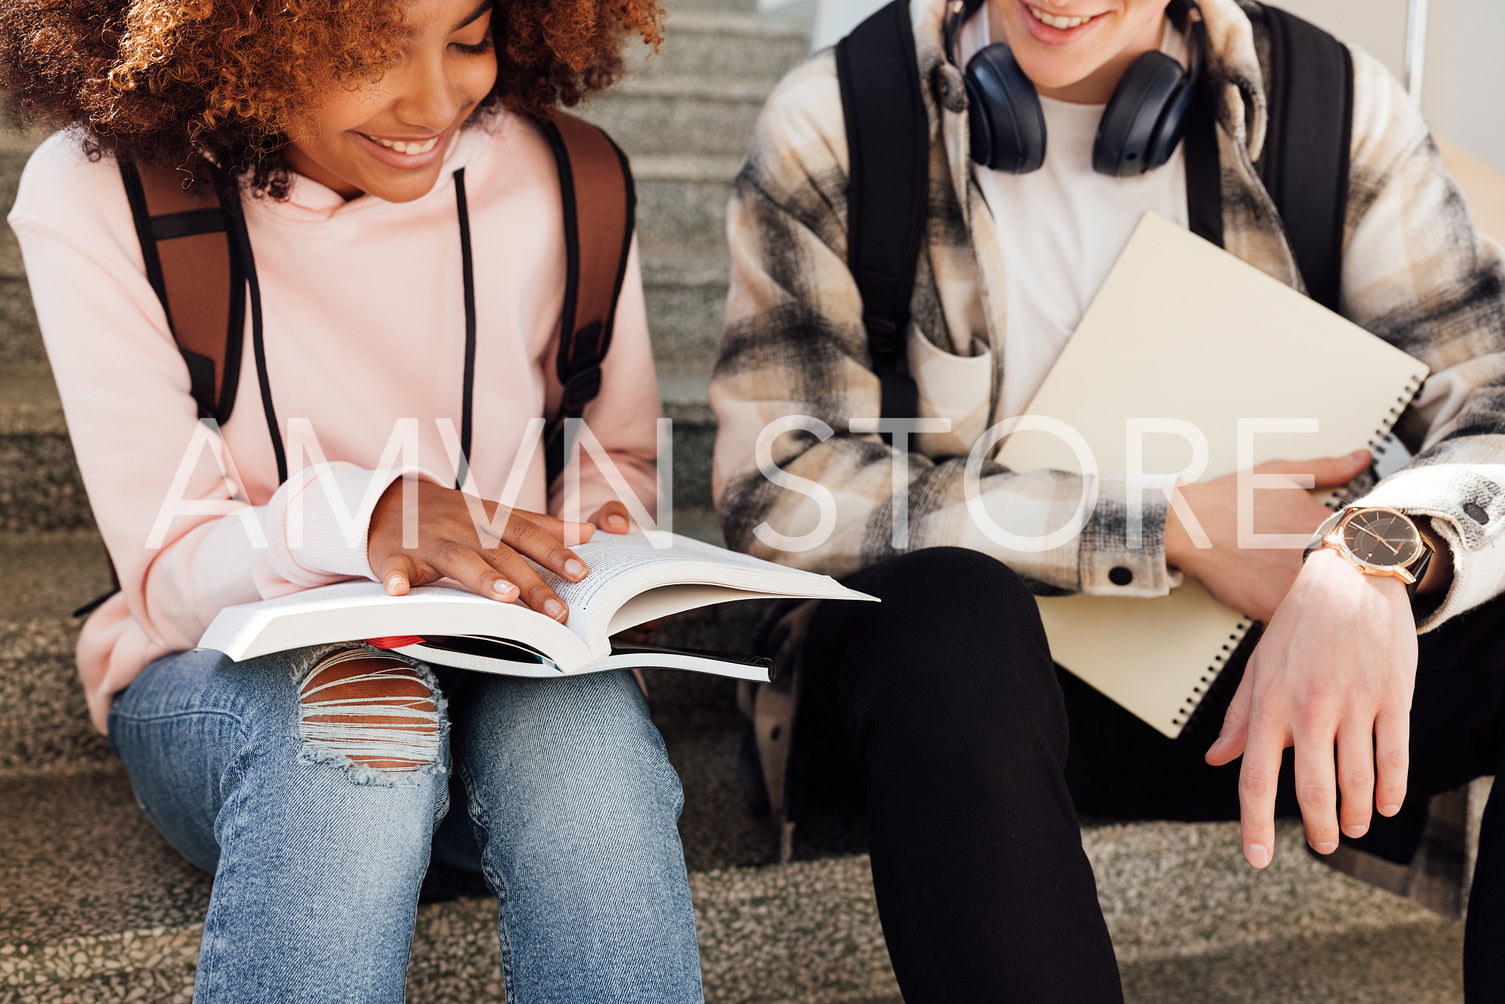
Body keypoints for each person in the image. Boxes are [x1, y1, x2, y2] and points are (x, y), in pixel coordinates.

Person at [711, 0, 1505, 999]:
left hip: (1237, 672)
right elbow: (779, 491)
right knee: (951, 614)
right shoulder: (835, 118)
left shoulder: (1338, 108)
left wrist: (1371, 558)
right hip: (945, 699)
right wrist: (1167, 525)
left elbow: (1494, 387)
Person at [3, 0, 705, 1000]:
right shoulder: (99, 192)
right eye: (366, 49)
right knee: (360, 712)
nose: (434, 99)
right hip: (235, 692)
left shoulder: (571, 179)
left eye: (467, 39)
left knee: (586, 732)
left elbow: (612, 453)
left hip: (502, 674)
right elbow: (167, 576)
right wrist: (368, 516)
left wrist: (597, 555)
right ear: (237, 35)